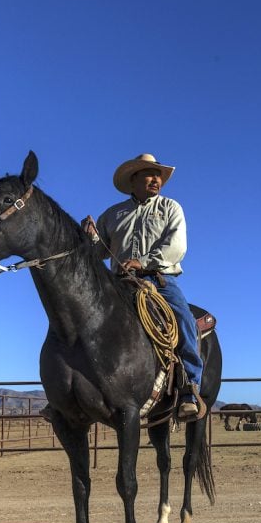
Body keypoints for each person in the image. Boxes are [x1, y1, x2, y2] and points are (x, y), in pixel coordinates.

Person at [83, 153, 204, 420]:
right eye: (149, 174)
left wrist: (143, 261)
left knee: (184, 320)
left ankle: (189, 388)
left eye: (158, 175)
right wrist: (89, 236)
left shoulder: (171, 208)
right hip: (118, 283)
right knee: (80, 318)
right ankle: (73, 390)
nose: (156, 179)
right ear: (133, 179)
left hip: (159, 281)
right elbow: (97, 251)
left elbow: (177, 247)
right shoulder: (113, 214)